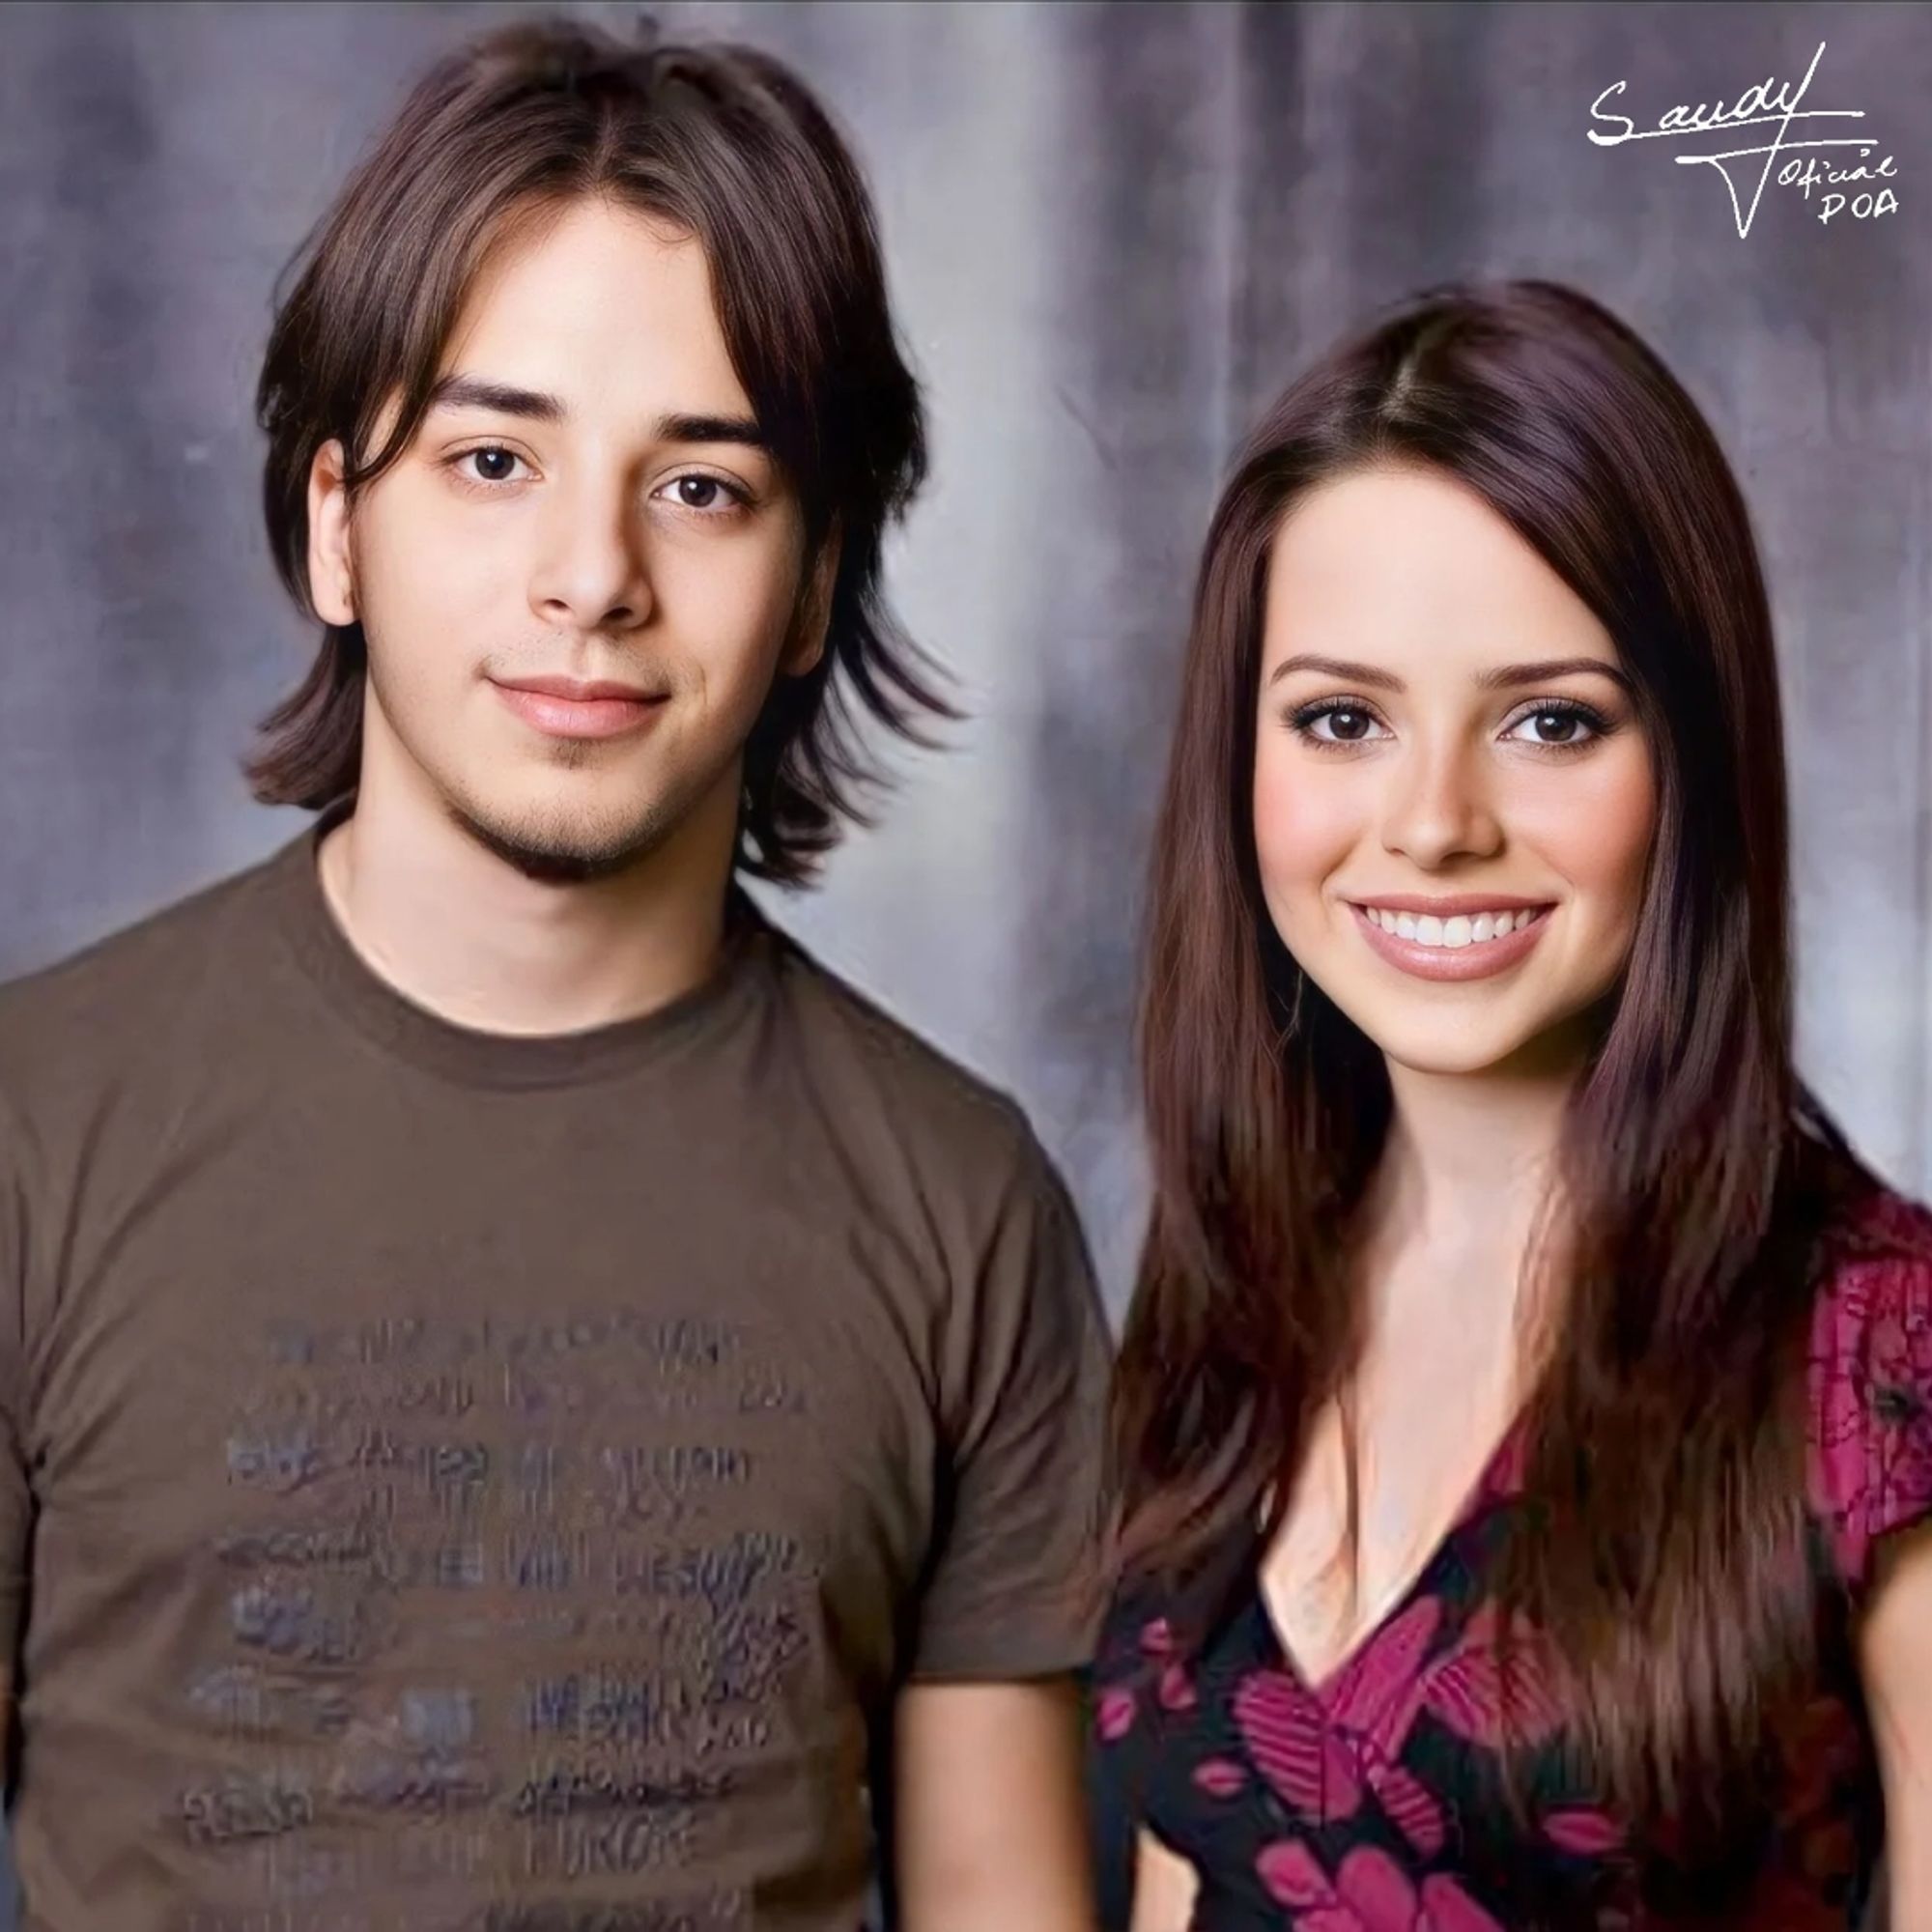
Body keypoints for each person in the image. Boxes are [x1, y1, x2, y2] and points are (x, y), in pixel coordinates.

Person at [0, 17, 1110, 1930]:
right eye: (495, 457)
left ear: (817, 581)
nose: (591, 575)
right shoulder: (33, 1132)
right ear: (340, 525)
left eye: (701, 486)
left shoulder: (960, 1205)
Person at [1091, 280, 1932, 1929]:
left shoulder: (1882, 1350)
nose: (1435, 823)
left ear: (1686, 758)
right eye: (1342, 719)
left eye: (1549, 722)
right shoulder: (1223, 1303)